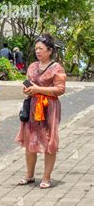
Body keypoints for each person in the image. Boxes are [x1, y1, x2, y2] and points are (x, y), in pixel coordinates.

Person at [15, 34, 66, 189]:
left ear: (49, 50)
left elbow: (60, 89)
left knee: (49, 140)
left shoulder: (57, 68)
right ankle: (29, 175)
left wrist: (39, 89)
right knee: (31, 139)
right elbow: (28, 84)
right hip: (32, 106)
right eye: (36, 48)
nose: (38, 51)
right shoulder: (32, 66)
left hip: (49, 108)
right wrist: (28, 90)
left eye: (41, 49)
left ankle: (46, 177)